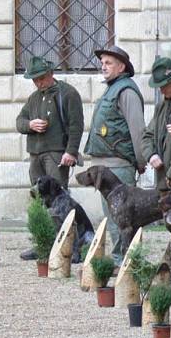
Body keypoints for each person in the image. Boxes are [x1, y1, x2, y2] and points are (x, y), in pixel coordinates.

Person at [84, 46, 146, 266]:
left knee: (123, 220)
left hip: (119, 165)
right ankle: (122, 261)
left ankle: (129, 264)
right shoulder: (112, 89)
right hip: (106, 165)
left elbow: (138, 131)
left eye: (108, 62)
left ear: (122, 67)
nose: (103, 66)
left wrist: (140, 161)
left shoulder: (126, 91)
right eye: (102, 62)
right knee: (113, 221)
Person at [142, 55, 171, 284]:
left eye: (165, 86)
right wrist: (151, 154)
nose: (162, 91)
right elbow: (147, 134)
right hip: (165, 180)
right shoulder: (162, 106)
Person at [16, 56, 84, 189]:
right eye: (35, 80)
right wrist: (30, 125)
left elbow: (76, 125)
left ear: (51, 73)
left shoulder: (68, 93)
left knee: (57, 197)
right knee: (37, 197)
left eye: (42, 78)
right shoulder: (33, 98)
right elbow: (19, 121)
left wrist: (71, 151)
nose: (38, 83)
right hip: (35, 155)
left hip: (56, 155)